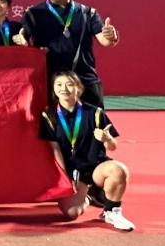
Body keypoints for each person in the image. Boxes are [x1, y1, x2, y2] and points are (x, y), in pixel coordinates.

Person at [40, 71, 134, 231]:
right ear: (53, 88)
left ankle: (112, 211)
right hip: (74, 172)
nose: (64, 89)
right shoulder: (48, 116)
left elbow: (113, 146)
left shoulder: (95, 113)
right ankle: (89, 195)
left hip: (95, 168)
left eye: (69, 84)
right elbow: (55, 150)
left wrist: (107, 139)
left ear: (79, 88)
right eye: (59, 85)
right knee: (71, 213)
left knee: (119, 170)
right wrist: (65, 178)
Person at [22, 0, 119, 107]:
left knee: (94, 120)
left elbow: (105, 41)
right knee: (53, 120)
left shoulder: (87, 13)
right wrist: (26, 44)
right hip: (50, 81)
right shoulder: (33, 14)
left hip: (84, 79)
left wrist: (111, 35)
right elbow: (21, 42)